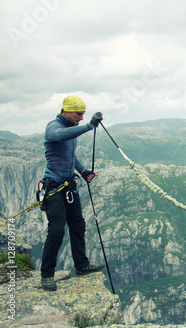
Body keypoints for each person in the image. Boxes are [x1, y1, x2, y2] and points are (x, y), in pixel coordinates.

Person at [40, 95, 105, 291]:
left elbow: (71, 155)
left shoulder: (68, 129)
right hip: (54, 186)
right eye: (79, 114)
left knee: (78, 224)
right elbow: (59, 137)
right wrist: (90, 127)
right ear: (66, 110)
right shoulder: (54, 127)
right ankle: (47, 275)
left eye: (84, 115)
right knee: (57, 230)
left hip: (68, 186)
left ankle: (82, 266)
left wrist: (83, 171)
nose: (81, 118)